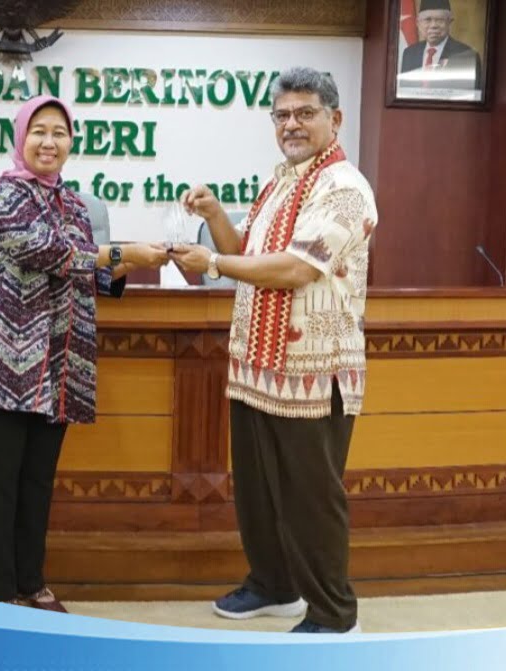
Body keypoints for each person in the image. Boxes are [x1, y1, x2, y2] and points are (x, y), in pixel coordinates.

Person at [171, 67, 376, 634]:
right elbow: (249, 252)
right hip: (257, 368)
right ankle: (273, 585)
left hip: (313, 372)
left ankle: (334, 616)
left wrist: (213, 263)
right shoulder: (280, 181)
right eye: (282, 115)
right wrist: (216, 217)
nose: (292, 125)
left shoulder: (345, 188)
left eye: (305, 113)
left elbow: (294, 269)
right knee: (259, 492)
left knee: (310, 498)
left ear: (335, 119)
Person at [0, 95, 168, 611]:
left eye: (59, 132)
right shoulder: (3, 195)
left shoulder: (75, 204)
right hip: (4, 361)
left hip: (56, 364)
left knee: (37, 482)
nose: (49, 142)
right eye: (39, 131)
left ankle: (31, 583)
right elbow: (50, 253)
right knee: (0, 484)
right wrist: (121, 252)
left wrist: (148, 258)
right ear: (20, 138)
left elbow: (92, 274)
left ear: (72, 141)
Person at [399, 0, 482, 91]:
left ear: (449, 22)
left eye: (440, 20)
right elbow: (404, 92)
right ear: (418, 23)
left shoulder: (468, 56)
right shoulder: (409, 54)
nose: (433, 25)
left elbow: (470, 96)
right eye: (428, 20)